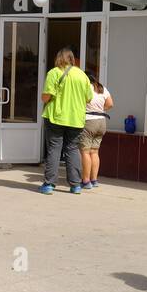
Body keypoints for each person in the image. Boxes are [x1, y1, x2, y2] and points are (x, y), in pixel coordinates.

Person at [39, 48, 92, 194]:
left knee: (54, 149)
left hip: (56, 117)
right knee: (73, 149)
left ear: (58, 58)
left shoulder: (54, 73)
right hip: (76, 119)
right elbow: (89, 98)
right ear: (72, 59)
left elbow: (45, 97)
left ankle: (49, 184)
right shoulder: (82, 75)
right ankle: (75, 185)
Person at [79, 74, 113, 189]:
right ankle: (94, 180)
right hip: (102, 122)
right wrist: (99, 109)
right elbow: (110, 104)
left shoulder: (85, 87)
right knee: (94, 152)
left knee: (85, 152)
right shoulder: (102, 88)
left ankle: (86, 181)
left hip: (89, 121)